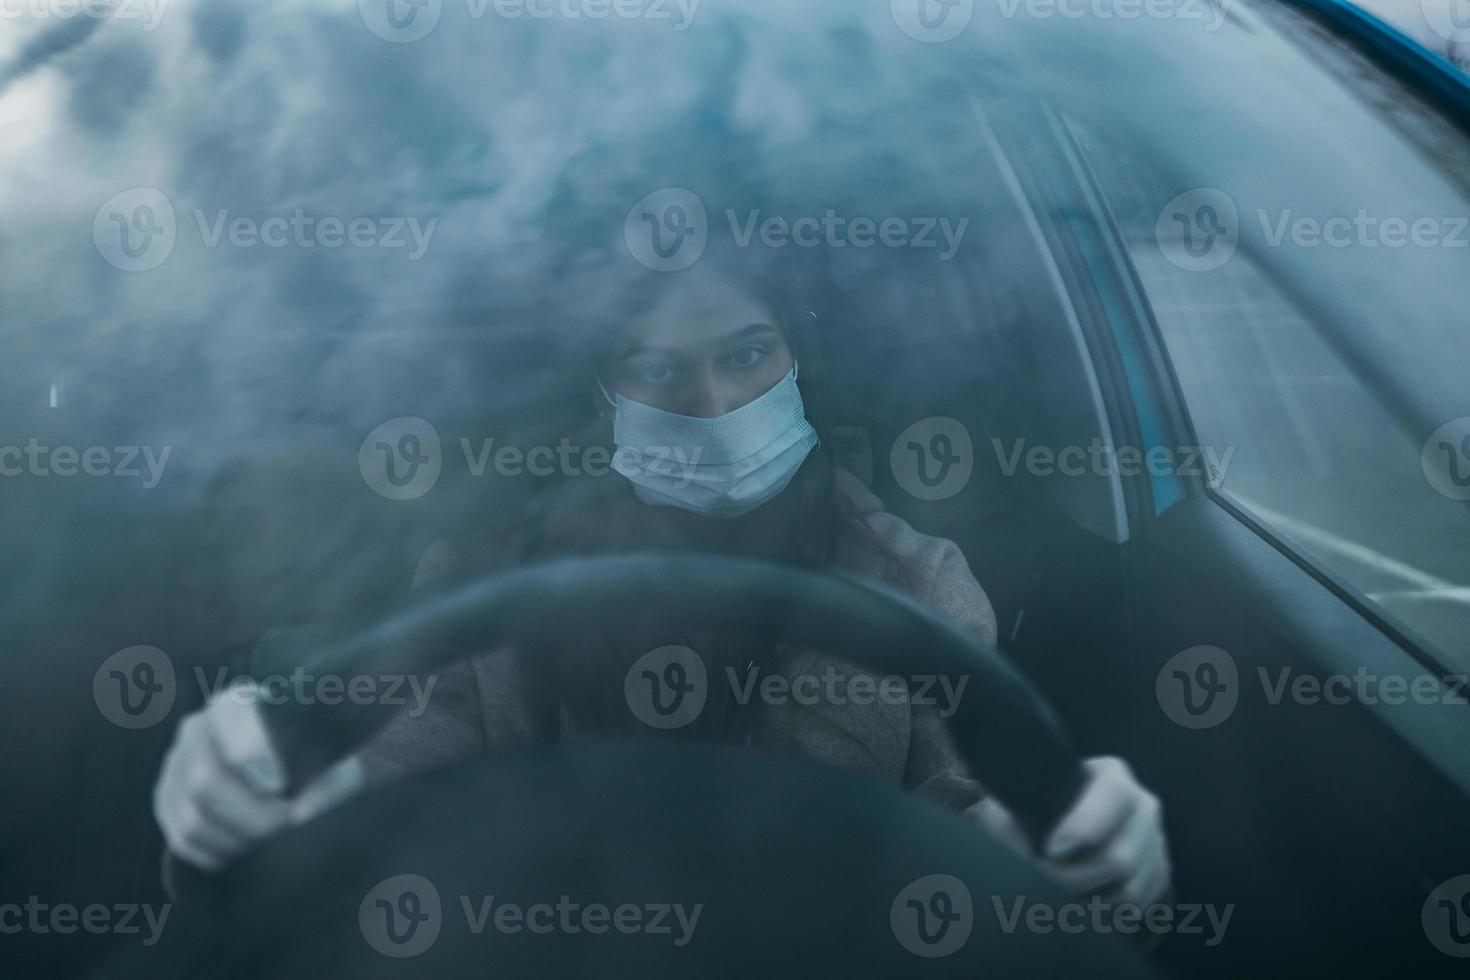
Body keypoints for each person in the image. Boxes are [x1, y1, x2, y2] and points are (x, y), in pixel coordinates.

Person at [154, 255, 1171, 912]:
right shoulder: (483, 583)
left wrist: (1081, 858)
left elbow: (980, 838)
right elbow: (387, 799)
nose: (714, 398)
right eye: (655, 367)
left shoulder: (916, 586)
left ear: (798, 355)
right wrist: (265, 790)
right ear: (605, 394)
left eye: (746, 352)